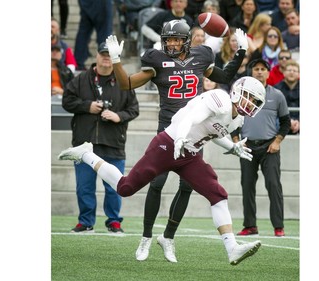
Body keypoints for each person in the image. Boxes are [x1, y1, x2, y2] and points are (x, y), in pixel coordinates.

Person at [58, 76, 266, 265]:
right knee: (125, 187)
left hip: (190, 155)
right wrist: (180, 138)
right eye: (249, 97)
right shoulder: (219, 98)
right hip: (168, 144)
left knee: (218, 195)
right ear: (238, 91)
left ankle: (232, 249)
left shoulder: (237, 119)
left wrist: (232, 147)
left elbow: (215, 131)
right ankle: (86, 154)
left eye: (255, 102)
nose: (250, 104)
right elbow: (191, 118)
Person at [105, 21, 249, 262]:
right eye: (168, 39)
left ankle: (168, 237)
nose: (171, 44)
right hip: (169, 130)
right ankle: (146, 237)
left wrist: (241, 52)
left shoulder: (202, 56)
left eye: (175, 39)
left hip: (194, 132)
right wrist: (117, 61)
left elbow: (224, 75)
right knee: (157, 182)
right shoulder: (157, 60)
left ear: (187, 40)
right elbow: (126, 84)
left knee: (186, 186)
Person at [61, 42, 140, 234]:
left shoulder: (124, 81)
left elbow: (134, 109)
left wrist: (118, 116)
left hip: (113, 143)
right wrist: (86, 106)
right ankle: (86, 222)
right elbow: (67, 101)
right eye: (103, 53)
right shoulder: (81, 80)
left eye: (109, 54)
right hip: (84, 145)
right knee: (84, 187)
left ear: (114, 58)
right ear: (96, 55)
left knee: (114, 186)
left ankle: (114, 222)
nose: (106, 57)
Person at [232, 58, 290, 237]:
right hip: (247, 147)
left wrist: (277, 141)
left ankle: (278, 226)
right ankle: (250, 226)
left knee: (273, 185)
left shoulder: (277, 95)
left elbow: (286, 122)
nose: (259, 72)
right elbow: (233, 120)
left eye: (262, 69)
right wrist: (235, 140)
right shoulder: (242, 95)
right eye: (256, 69)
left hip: (269, 147)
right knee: (247, 186)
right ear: (251, 72)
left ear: (268, 72)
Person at [74, 0, 114, 71]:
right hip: (101, 4)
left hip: (86, 3)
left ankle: (78, 62)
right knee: (104, 34)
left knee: (83, 33)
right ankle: (104, 63)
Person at [274, 59, 299, 134]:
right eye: (289, 70)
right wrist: (289, 122)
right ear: (284, 73)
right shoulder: (276, 89)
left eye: (294, 71)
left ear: (298, 74)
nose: (292, 72)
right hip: (281, 122)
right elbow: (274, 110)